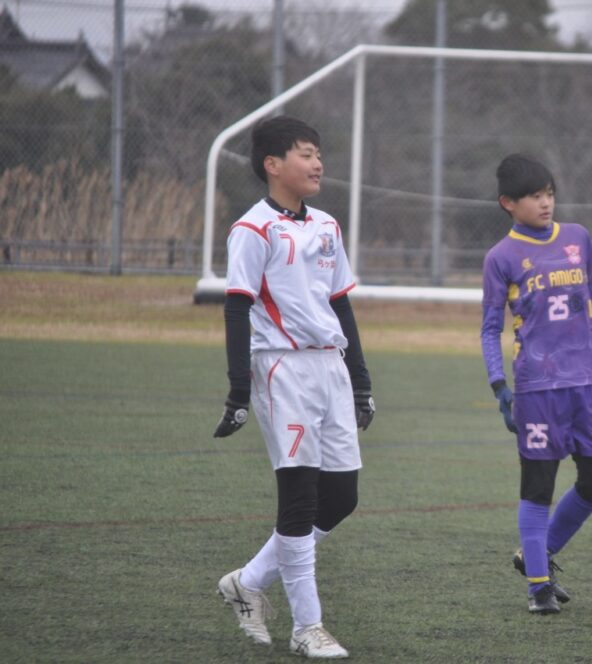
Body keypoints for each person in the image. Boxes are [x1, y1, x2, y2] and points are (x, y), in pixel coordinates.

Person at [212, 115, 375, 659]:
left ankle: (247, 581)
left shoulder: (327, 225)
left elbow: (340, 303)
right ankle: (308, 627)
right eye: (306, 153)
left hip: (331, 367)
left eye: (319, 154)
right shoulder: (252, 229)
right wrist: (238, 390)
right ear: (273, 164)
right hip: (283, 370)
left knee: (342, 495)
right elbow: (236, 308)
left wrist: (360, 380)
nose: (318, 163)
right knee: (300, 498)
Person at [480, 153, 592, 615]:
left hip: (585, 384)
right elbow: (489, 328)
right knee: (538, 486)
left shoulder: (578, 238)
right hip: (537, 388)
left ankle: (534, 555)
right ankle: (538, 586)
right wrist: (499, 385)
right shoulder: (500, 257)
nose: (545, 203)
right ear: (508, 203)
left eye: (549, 194)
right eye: (534, 196)